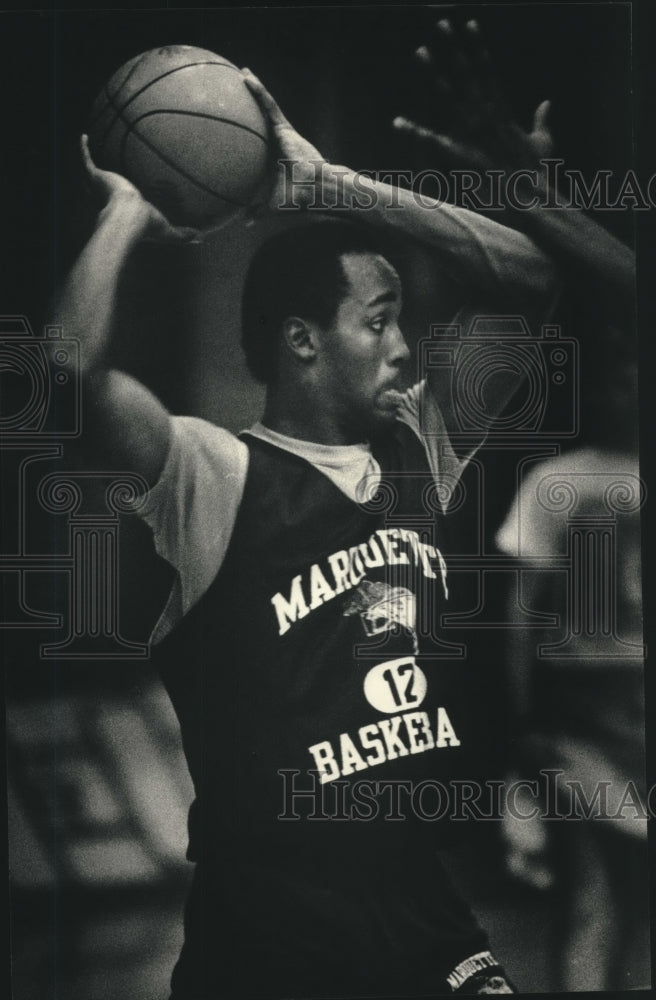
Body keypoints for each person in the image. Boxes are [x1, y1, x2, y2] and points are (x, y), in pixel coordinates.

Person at [54, 65, 557, 998]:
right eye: (379, 320)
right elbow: (68, 382)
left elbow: (534, 279)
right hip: (271, 925)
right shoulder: (212, 474)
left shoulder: (420, 446)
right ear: (301, 342)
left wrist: (335, 186)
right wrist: (127, 211)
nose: (405, 346)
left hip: (419, 905)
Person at [394, 17, 646, 992]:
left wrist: (541, 203)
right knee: (594, 900)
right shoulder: (574, 487)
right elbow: (555, 631)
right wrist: (525, 740)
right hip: (597, 724)